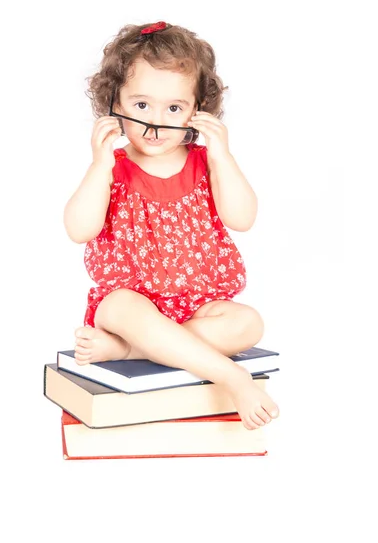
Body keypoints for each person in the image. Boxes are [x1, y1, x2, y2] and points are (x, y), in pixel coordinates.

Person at [63, 21, 279, 430]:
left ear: (198, 110)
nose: (156, 122)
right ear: (115, 104)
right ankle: (233, 377)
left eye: (174, 108)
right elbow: (78, 229)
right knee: (122, 306)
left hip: (195, 306)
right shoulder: (115, 168)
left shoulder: (204, 162)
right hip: (131, 305)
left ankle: (128, 351)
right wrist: (99, 166)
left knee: (249, 323)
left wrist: (222, 156)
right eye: (142, 106)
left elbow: (243, 218)